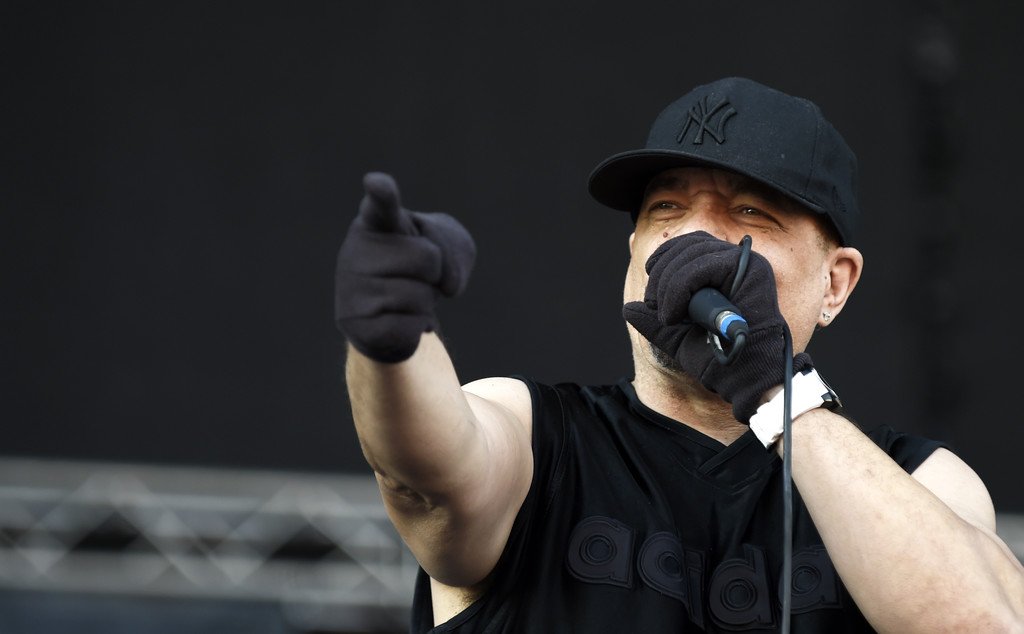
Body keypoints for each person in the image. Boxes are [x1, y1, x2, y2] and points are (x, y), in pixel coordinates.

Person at [334, 77, 1024, 632]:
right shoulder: (536, 435)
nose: (691, 237)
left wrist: (774, 389)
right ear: (632, 251)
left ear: (835, 284)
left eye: (750, 213)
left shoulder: (922, 478)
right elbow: (425, 472)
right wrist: (391, 340)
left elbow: (982, 621)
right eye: (665, 208)